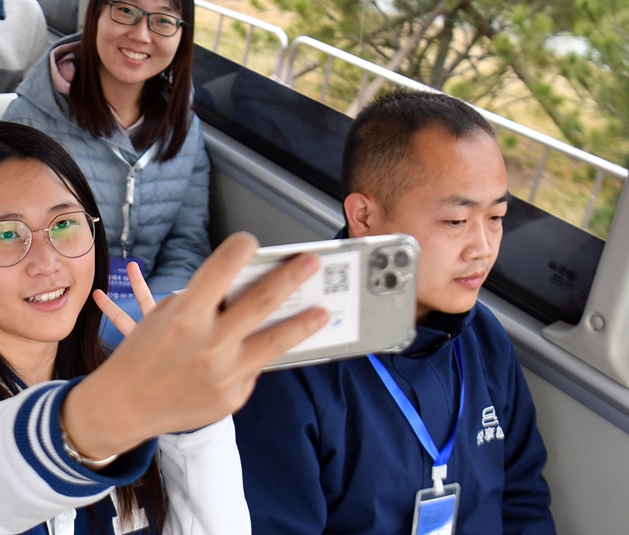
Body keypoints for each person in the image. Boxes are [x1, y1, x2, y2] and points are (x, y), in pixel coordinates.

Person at [0, 120, 329, 534]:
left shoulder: (104, 371)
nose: (47, 262)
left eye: (65, 224)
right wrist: (107, 415)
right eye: (6, 235)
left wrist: (197, 424)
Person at [234, 89, 556, 534]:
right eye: (456, 222)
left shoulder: (486, 339)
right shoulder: (284, 363)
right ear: (364, 216)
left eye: (496, 217)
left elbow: (523, 502)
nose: (483, 249)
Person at [4, 0, 209, 297]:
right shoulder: (28, 121)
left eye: (162, 20)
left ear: (181, 35)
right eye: (125, 10)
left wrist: (153, 316)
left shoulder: (185, 128)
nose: (141, 34)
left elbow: (186, 245)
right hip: (58, 309)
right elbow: (17, 247)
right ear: (96, 12)